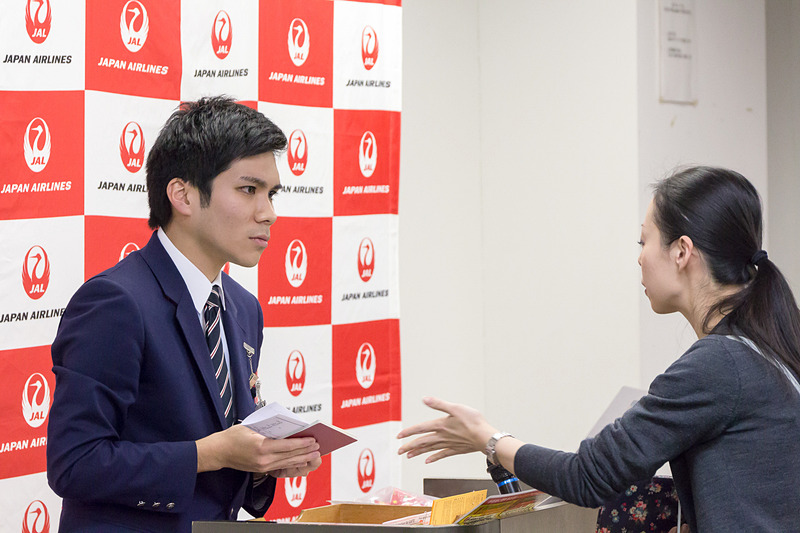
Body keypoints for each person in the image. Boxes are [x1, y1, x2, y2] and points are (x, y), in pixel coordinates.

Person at [397, 166, 800, 532]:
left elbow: (587, 477)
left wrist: (487, 438)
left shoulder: (719, 364)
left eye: (644, 241)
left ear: (682, 251)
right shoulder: (766, 348)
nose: (639, 258)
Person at [47, 96, 322, 532]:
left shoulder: (243, 308)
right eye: (249, 190)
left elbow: (229, 441)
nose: (268, 213)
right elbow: (75, 463)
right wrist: (212, 453)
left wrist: (264, 461)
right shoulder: (115, 302)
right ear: (183, 195)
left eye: (271, 193)